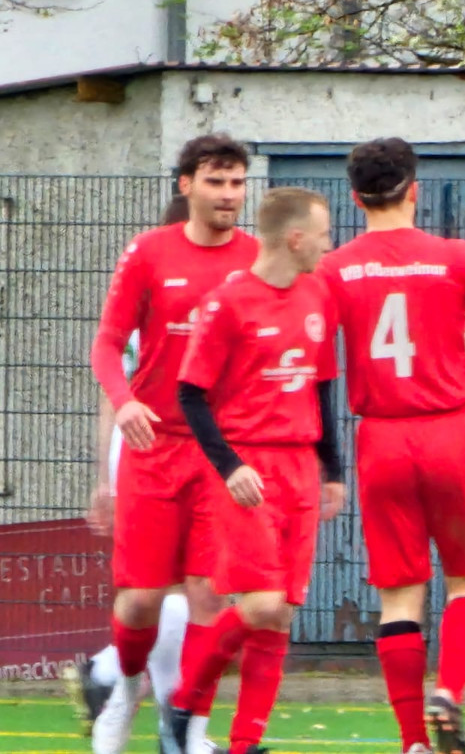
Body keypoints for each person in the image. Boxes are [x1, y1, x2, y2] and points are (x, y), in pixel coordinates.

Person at [316, 138, 465, 754]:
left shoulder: (336, 268)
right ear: (415, 189)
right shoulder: (453, 257)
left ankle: (411, 742)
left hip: (381, 439)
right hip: (452, 429)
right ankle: (449, 690)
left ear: (355, 198)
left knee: (400, 593)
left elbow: (311, 348)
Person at [90, 140, 259, 754]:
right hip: (154, 445)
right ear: (186, 184)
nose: (229, 195)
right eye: (216, 181)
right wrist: (126, 398)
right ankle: (127, 687)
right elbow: (107, 345)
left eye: (238, 183)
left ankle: (188, 729)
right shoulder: (149, 251)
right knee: (139, 601)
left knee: (210, 593)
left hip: (221, 451)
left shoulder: (257, 258)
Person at [168, 187, 346, 754]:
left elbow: (321, 387)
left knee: (281, 617)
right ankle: (184, 704)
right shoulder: (230, 301)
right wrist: (229, 466)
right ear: (296, 239)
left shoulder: (318, 293)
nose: (329, 244)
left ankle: (245, 745)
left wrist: (333, 469)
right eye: (323, 233)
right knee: (261, 604)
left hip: (299, 465)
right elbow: (191, 395)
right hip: (249, 467)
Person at [69, 195, 196, 746]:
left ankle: (108, 675)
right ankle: (165, 716)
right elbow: (111, 390)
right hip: (148, 447)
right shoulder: (151, 289)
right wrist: (105, 477)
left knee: (184, 592)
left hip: (190, 448)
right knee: (167, 591)